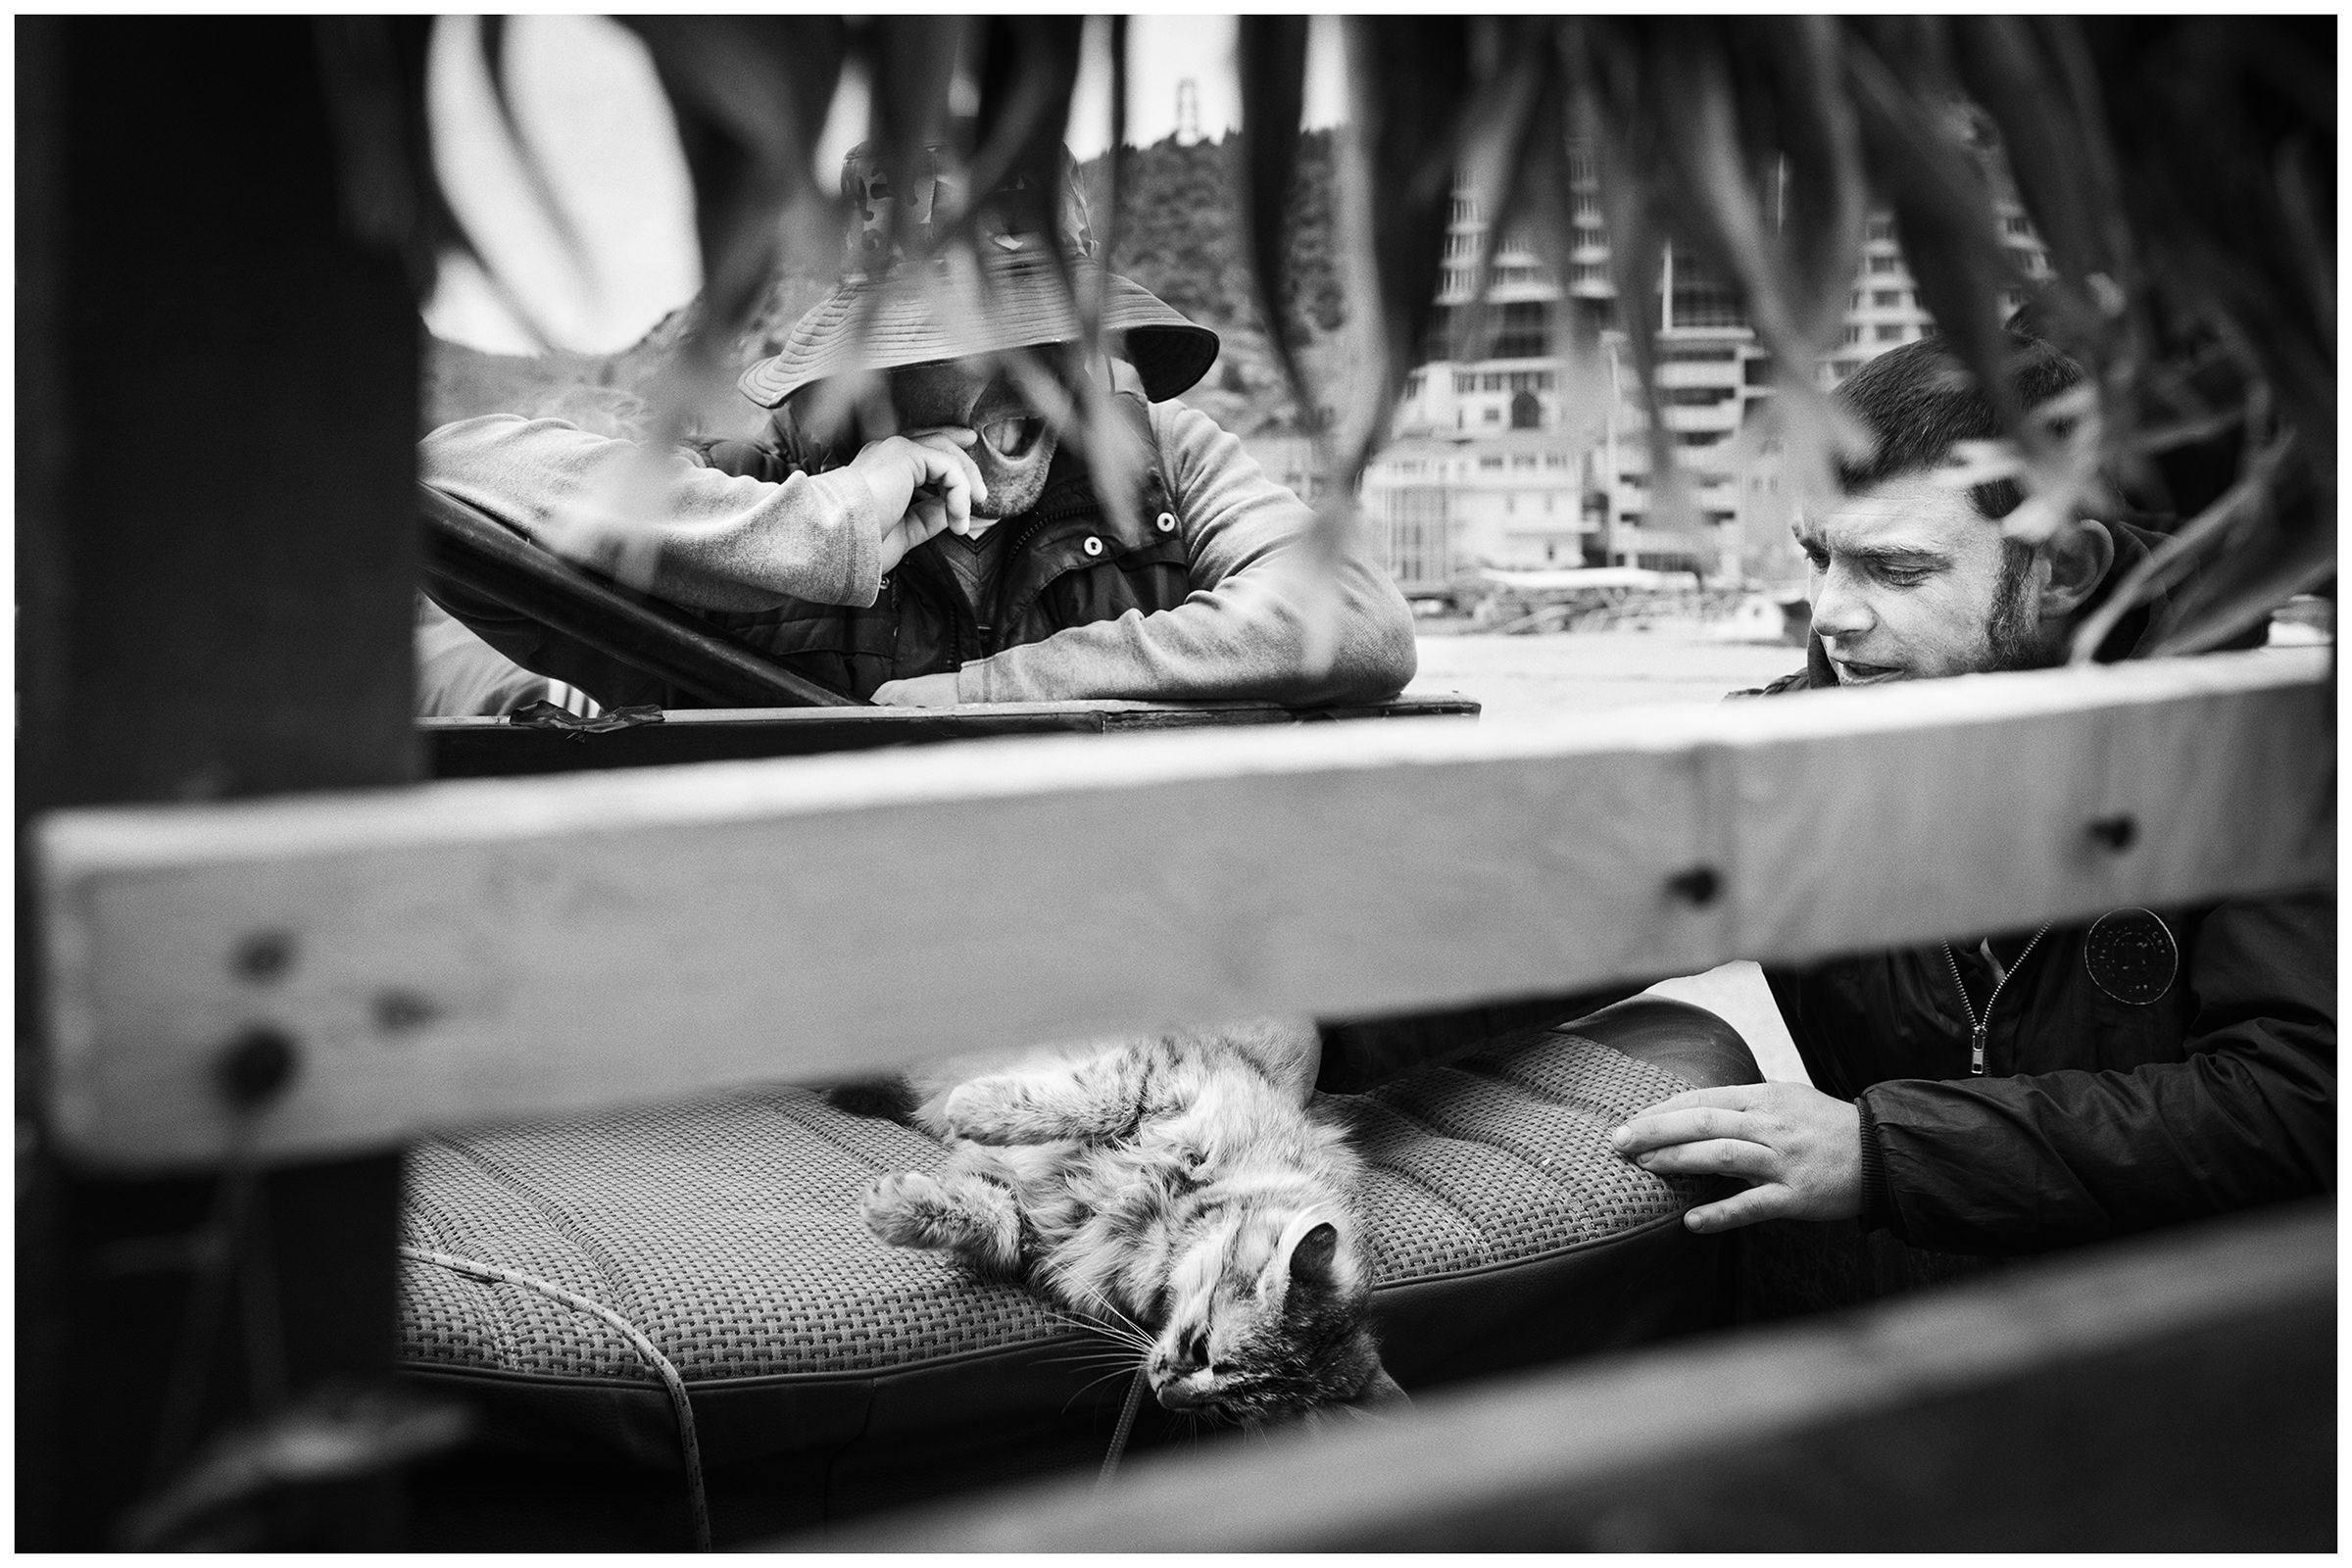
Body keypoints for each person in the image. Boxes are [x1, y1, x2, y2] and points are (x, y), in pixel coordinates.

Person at [1318, 330, 2332, 1262]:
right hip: (1904, 1298)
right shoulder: (1791, 747)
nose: (1833, 614)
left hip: (2205, 1330)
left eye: (1894, 568)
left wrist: (1882, 1150)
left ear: (2064, 569)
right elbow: (1565, 903)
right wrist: (1318, 1023)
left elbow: (2300, 1097)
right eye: (1819, 557)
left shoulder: (2257, 753)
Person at [418, 145, 1417, 712]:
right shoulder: (775, 473)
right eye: (963, 343)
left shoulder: (1167, 458)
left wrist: (990, 692)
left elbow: (1357, 619)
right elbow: (437, 486)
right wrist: (819, 531)